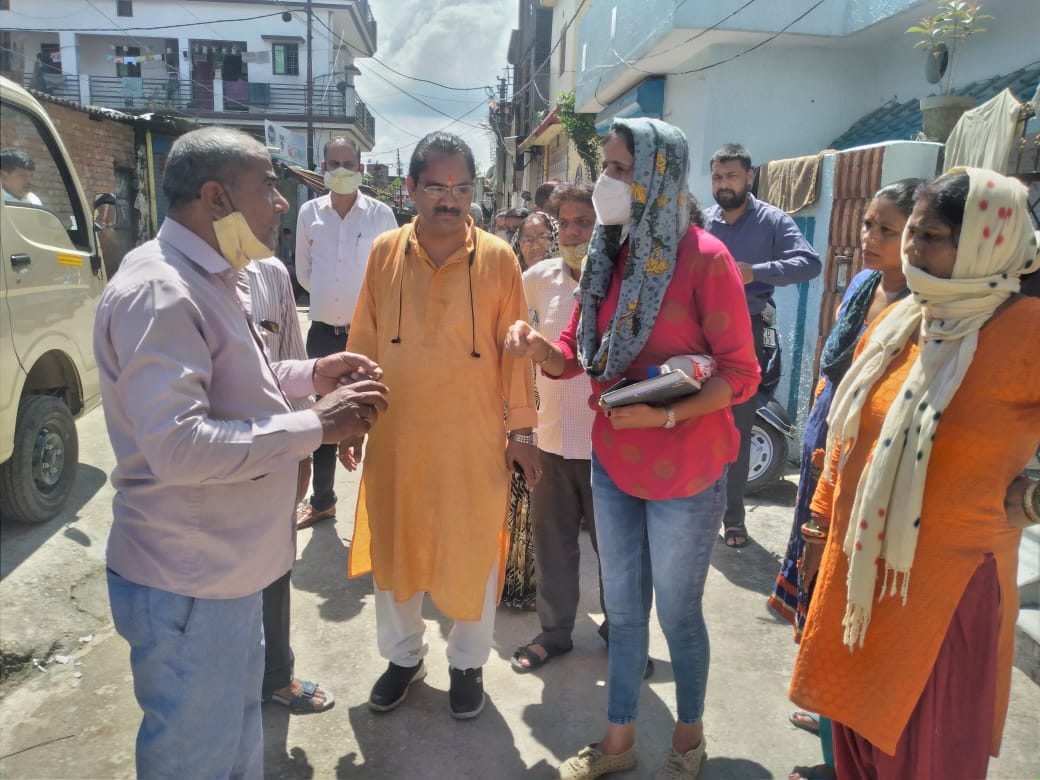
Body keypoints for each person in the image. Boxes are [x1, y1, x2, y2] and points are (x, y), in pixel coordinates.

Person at [93, 126, 388, 778]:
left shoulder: (216, 276)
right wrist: (316, 424)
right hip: (188, 582)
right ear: (217, 198)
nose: (283, 203)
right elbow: (179, 446)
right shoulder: (159, 291)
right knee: (196, 759)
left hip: (226, 578)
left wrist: (311, 376)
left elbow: (238, 388)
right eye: (269, 188)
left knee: (235, 744)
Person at [506, 118, 759, 779]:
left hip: (686, 467)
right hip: (614, 460)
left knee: (677, 611)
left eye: (620, 169)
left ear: (659, 174)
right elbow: (582, 349)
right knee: (622, 611)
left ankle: (689, 735)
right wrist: (544, 351)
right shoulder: (608, 253)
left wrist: (665, 417)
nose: (606, 183)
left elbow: (739, 373)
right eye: (607, 168)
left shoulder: (707, 259)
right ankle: (618, 743)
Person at [789, 168, 1040, 779]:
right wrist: (818, 533)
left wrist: (1032, 500)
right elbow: (848, 441)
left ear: (986, 240)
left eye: (931, 236)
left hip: (944, 592)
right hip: (857, 577)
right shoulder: (900, 321)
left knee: (924, 756)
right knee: (855, 747)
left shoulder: (1025, 330)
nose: (911, 248)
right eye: (914, 234)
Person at [347, 131, 539, 721]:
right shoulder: (383, 253)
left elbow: (518, 350)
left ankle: (466, 662)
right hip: (396, 440)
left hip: (473, 442)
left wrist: (522, 432)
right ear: (411, 189)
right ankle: (404, 657)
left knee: (471, 549)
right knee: (396, 546)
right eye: (436, 186)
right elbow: (362, 342)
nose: (449, 200)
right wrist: (352, 417)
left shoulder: (501, 259)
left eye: (461, 188)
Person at [766, 178, 922, 780]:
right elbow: (838, 370)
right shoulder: (862, 286)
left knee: (849, 596)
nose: (869, 238)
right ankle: (828, 707)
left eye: (888, 229)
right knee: (817, 580)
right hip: (825, 451)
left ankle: (845, 733)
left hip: (870, 470)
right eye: (868, 225)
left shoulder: (924, 306)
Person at [510, 181, 608, 672]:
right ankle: (555, 632)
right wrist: (520, 428)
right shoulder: (537, 279)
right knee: (553, 543)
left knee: (614, 548)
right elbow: (523, 355)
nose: (572, 232)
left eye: (584, 222)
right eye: (564, 223)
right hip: (550, 437)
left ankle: (622, 631)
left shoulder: (621, 279)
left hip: (609, 442)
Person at [704, 143, 821, 549]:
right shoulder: (704, 222)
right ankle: (691, 511)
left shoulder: (772, 220)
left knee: (737, 428)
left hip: (744, 333)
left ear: (749, 176)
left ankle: (733, 518)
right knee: (691, 421)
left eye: (732, 176)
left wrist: (755, 272)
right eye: (718, 177)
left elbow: (810, 262)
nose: (724, 184)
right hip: (699, 334)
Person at [237, 255, 334, 714]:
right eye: (266, 184)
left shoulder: (270, 272)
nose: (279, 203)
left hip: (276, 455)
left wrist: (305, 445)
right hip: (211, 470)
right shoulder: (169, 279)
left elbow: (285, 361)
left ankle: (276, 674)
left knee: (276, 565)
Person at [294, 136, 398, 530]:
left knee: (377, 415)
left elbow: (390, 276)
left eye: (348, 163)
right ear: (322, 167)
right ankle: (323, 501)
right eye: (333, 163)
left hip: (367, 337)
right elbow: (304, 272)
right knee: (323, 420)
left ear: (361, 168)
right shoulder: (309, 214)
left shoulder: (380, 215)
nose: (341, 170)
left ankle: (384, 509)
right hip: (322, 334)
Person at [502, 208, 567, 613]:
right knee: (518, 493)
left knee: (545, 497)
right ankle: (516, 581)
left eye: (542, 237)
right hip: (517, 397)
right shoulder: (512, 280)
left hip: (554, 398)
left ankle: (542, 584)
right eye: (526, 238)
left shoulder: (565, 284)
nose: (533, 245)